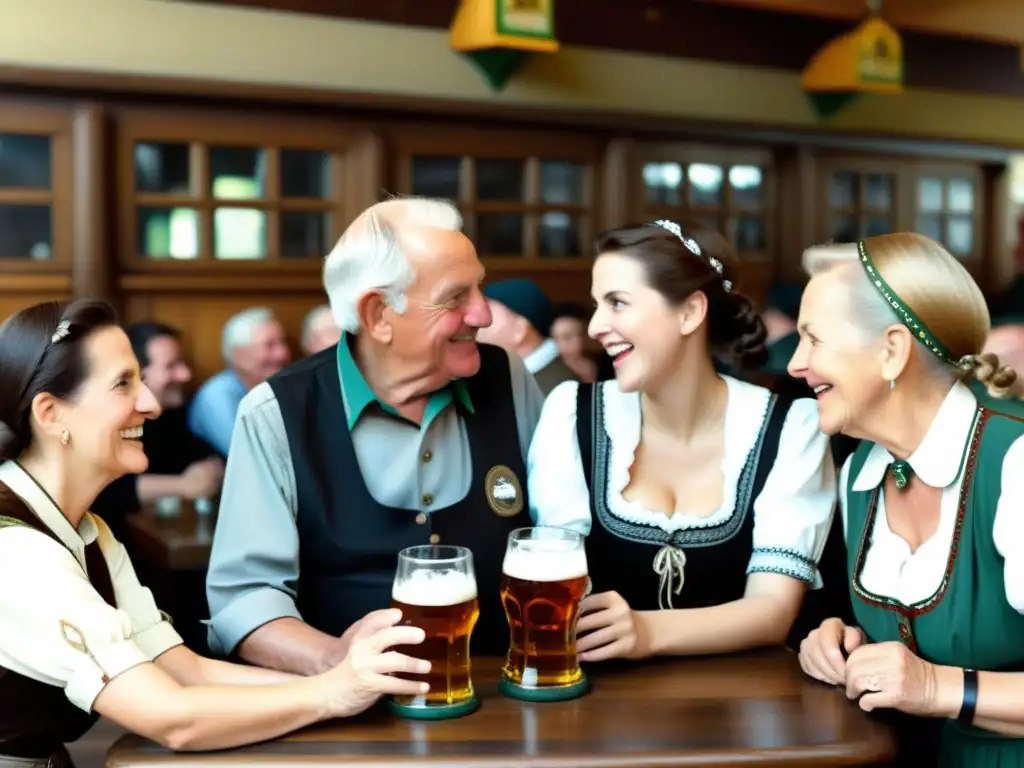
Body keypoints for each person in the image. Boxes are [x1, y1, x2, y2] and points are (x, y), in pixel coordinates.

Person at [0, 300, 431, 763]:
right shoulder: (17, 550)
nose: (149, 404)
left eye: (141, 379)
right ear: (50, 414)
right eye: (123, 383)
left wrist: (347, 681)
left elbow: (187, 674)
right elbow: (172, 717)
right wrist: (331, 692)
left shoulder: (90, 532)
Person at [205, 197, 544, 674]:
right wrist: (333, 658)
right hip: (347, 719)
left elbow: (561, 532)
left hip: (506, 694)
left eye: (479, 289)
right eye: (455, 298)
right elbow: (244, 600)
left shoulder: (506, 378)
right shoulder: (277, 411)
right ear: (379, 314)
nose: (484, 315)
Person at [527, 219, 837, 663]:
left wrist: (648, 630)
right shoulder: (571, 413)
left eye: (617, 303)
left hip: (744, 712)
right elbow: (559, 585)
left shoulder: (791, 425)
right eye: (597, 305)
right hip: (601, 710)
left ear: (691, 312)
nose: (595, 326)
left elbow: (773, 610)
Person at [790, 233, 1024, 766]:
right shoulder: (860, 473)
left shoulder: (1015, 464)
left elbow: (925, 680)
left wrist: (932, 686)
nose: (795, 364)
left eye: (814, 340)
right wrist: (844, 643)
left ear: (893, 350)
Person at [91, 322, 222, 537]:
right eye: (172, 366)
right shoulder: (112, 423)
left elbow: (209, 458)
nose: (186, 375)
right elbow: (108, 487)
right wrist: (183, 485)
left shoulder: (176, 416)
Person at [188, 307, 291, 456]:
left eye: (282, 343)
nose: (283, 353)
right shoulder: (217, 395)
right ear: (238, 354)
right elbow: (250, 456)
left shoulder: (278, 388)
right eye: (270, 345)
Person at [477, 278, 577, 394]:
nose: (474, 320)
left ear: (519, 330)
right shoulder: (525, 380)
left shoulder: (557, 391)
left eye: (487, 310)